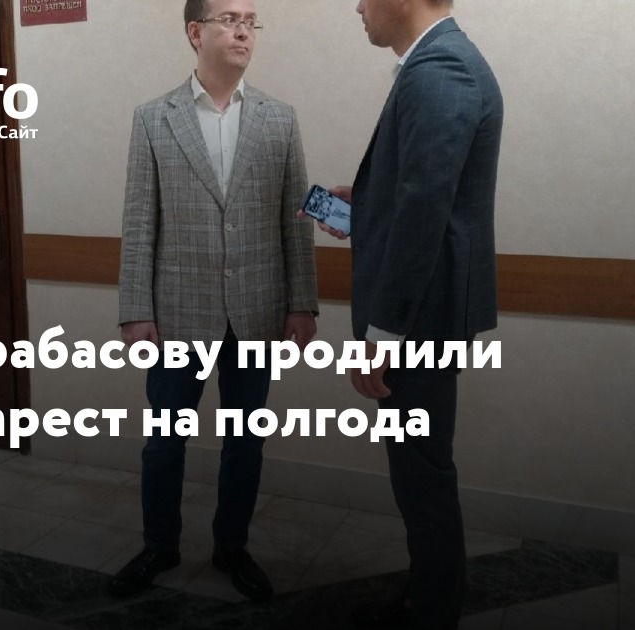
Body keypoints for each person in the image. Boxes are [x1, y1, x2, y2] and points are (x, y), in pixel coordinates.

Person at [110, 0, 318, 603]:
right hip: (177, 311)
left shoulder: (279, 119)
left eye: (251, 21)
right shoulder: (155, 118)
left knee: (245, 441)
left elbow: (294, 222)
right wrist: (136, 310)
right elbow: (139, 221)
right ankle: (159, 544)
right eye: (230, 19)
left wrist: (301, 302)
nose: (243, 31)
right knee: (164, 442)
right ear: (195, 32)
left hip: (257, 310)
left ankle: (232, 546)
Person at [306, 0, 503, 627]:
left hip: (418, 321)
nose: (358, 6)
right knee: (420, 471)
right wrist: (365, 206)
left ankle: (432, 610)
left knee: (422, 477)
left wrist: (382, 333)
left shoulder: (442, 70)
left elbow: (426, 211)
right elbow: (421, 194)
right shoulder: (439, 63)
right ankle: (428, 599)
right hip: (426, 314)